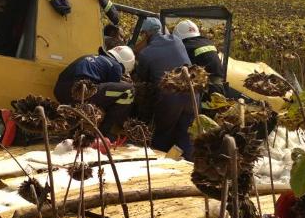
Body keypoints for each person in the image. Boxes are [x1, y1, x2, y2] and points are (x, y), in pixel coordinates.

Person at [134, 17, 197, 158]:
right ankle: (187, 167)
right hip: (191, 91)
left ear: (146, 34)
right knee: (185, 134)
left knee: (163, 133)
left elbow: (142, 80)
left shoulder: (146, 53)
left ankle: (160, 167)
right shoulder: (177, 40)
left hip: (170, 96)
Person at [54, 45, 136, 136]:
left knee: (91, 89)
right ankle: (104, 133)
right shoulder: (116, 66)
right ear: (127, 65)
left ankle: (75, 131)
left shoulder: (90, 57)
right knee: (129, 91)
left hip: (60, 92)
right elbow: (111, 94)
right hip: (81, 93)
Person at [172, 19, 226, 112]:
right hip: (219, 87)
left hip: (204, 90)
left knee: (201, 119)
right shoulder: (207, 41)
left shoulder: (184, 46)